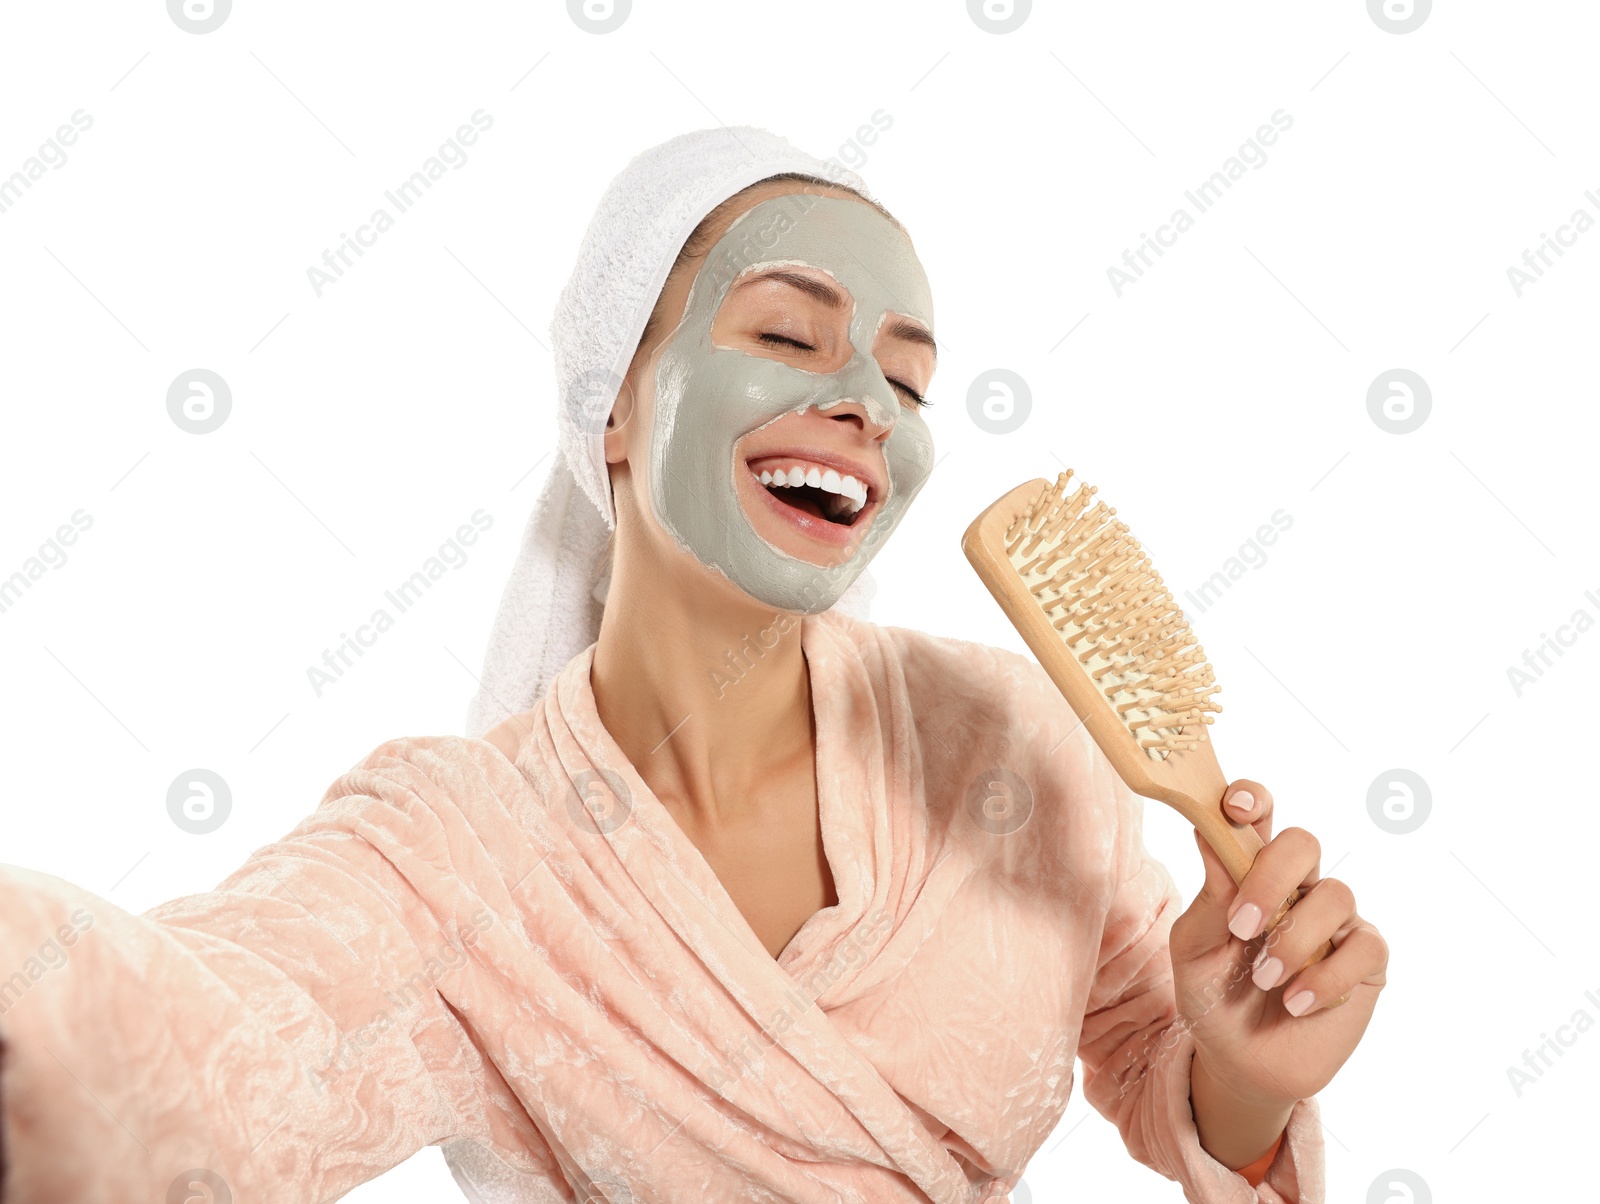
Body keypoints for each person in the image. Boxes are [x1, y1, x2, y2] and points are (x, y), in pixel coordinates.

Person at [0, 127, 1385, 1202]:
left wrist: (1245, 1081)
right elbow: (205, 1044)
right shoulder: (456, 856)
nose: (862, 404)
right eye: (786, 335)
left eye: (907, 382)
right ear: (613, 405)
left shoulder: (1007, 732)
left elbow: (1159, 1052)